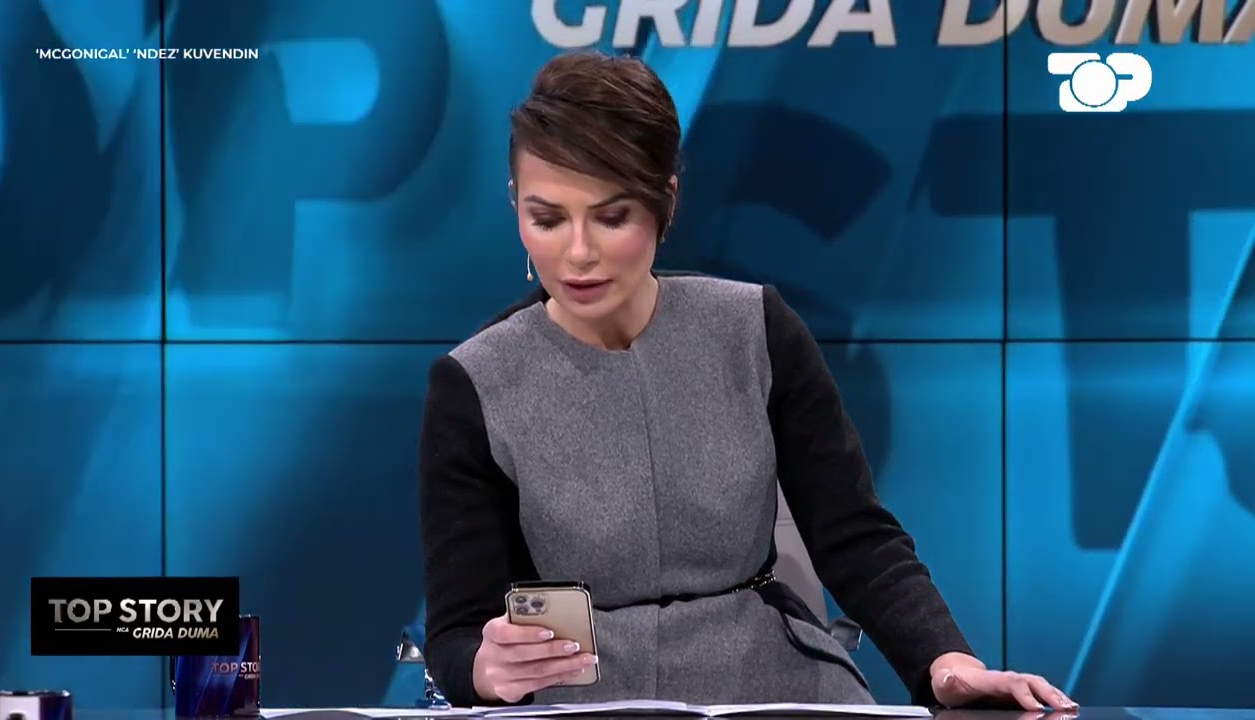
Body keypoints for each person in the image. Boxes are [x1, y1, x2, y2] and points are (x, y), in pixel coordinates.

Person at [417, 50, 1077, 712]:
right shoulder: (476, 383)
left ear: (665, 201)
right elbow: (456, 633)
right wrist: (484, 669)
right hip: (582, 700)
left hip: (772, 687)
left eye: (612, 217)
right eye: (548, 218)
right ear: (516, 205)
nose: (578, 252)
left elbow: (855, 536)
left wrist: (947, 662)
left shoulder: (755, 329)